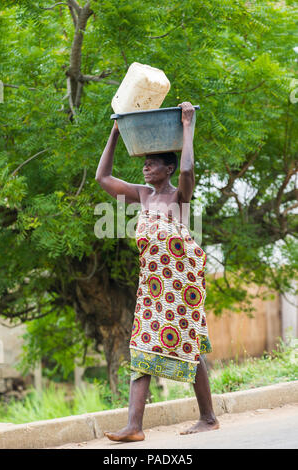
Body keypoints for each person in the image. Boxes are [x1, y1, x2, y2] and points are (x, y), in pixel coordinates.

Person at [95, 101, 219, 442]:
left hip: (181, 288)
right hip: (151, 289)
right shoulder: (143, 196)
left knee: (189, 343)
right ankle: (134, 427)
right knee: (143, 344)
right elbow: (102, 178)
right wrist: (116, 131)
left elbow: (189, 172)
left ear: (168, 169)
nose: (146, 169)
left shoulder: (180, 198)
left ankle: (208, 418)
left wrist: (187, 126)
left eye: (152, 165)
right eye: (145, 164)